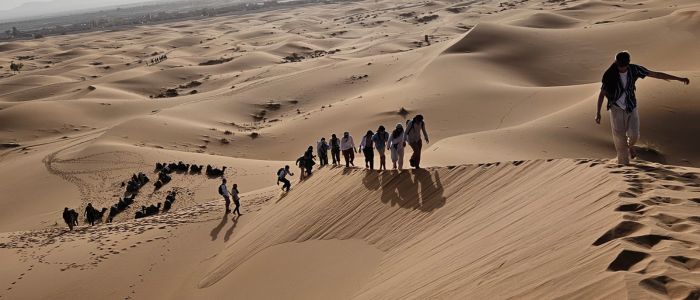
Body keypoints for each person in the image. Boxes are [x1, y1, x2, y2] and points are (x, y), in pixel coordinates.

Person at [595, 51, 690, 165]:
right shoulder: (609, 74)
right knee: (620, 140)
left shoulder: (634, 69)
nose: (621, 68)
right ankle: (623, 167)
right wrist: (598, 112)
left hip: (631, 107)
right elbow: (602, 93)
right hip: (616, 109)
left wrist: (679, 79)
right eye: (619, 65)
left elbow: (655, 74)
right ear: (616, 63)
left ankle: (631, 146)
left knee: (634, 135)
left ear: (628, 63)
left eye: (624, 66)